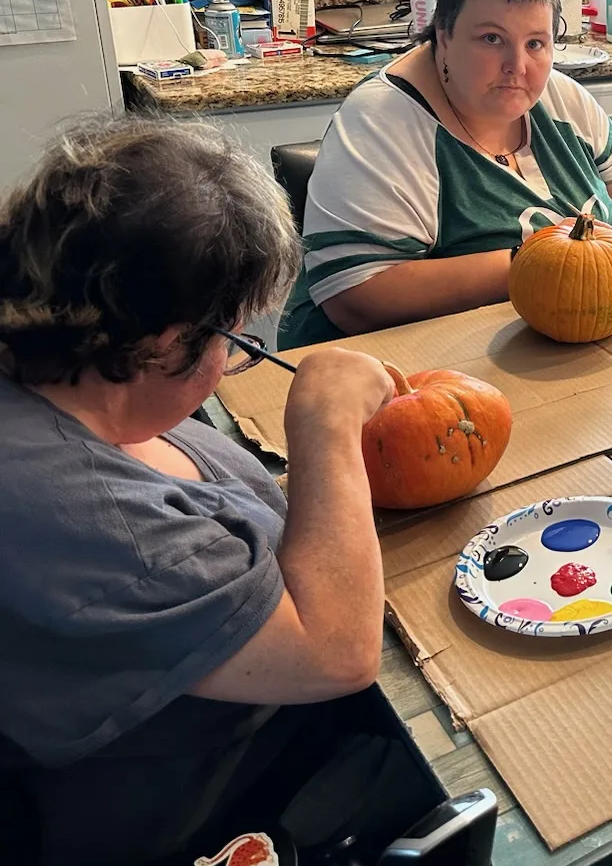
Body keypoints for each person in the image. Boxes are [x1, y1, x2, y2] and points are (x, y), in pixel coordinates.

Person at [0, 117, 398, 864]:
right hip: (193, 805)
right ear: (160, 342)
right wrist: (324, 426)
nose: (234, 357)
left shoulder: (47, 370)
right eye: (237, 341)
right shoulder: (95, 519)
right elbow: (341, 653)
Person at [279, 0, 612, 348]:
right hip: (393, 365)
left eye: (536, 43)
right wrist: (542, 264)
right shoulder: (383, 121)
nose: (518, 65)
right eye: (492, 38)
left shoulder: (567, 102)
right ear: (444, 35)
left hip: (565, 350)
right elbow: (354, 296)